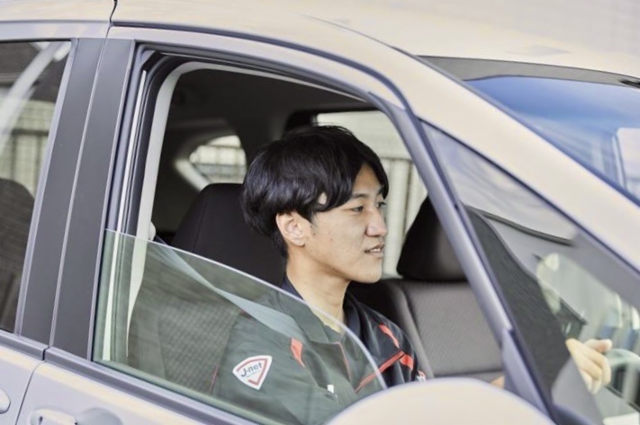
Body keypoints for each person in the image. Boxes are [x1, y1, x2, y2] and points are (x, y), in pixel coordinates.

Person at [212, 125, 610, 424]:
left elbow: (427, 414)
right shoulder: (262, 345)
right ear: (295, 227)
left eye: (379, 206)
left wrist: (535, 382)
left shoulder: (383, 335)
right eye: (357, 209)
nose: (380, 227)